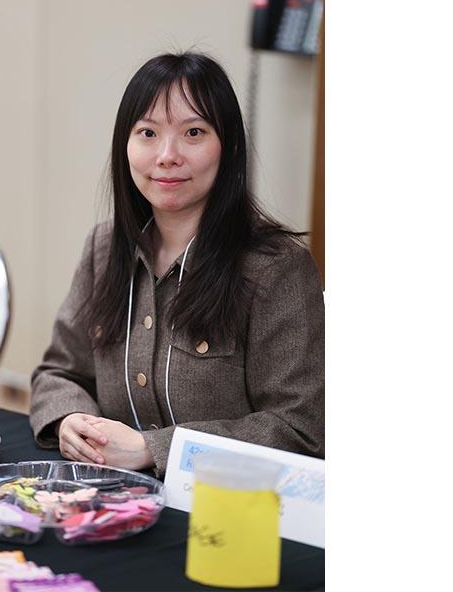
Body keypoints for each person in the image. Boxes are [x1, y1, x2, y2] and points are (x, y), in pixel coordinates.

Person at [29, 52, 324, 476]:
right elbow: (58, 372)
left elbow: (301, 430)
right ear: (125, 146)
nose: (167, 155)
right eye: (148, 132)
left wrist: (156, 449)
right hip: (112, 500)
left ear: (230, 147)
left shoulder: (276, 269)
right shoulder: (105, 247)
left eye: (193, 132)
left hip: (225, 515)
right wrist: (68, 420)